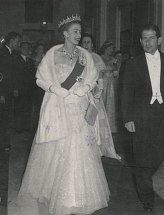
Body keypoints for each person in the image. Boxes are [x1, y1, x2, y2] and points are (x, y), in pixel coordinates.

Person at [18, 15, 119, 215]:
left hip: (80, 108)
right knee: (58, 150)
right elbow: (39, 78)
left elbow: (92, 78)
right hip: (59, 107)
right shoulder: (52, 53)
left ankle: (78, 197)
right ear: (65, 33)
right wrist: (55, 89)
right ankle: (55, 193)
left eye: (80, 32)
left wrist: (86, 88)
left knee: (80, 150)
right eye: (75, 31)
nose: (79, 35)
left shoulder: (84, 55)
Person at [122, 24, 164, 212]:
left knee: (159, 153)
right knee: (141, 158)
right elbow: (126, 93)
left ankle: (144, 175)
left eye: (151, 38)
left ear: (159, 40)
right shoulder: (132, 64)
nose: (147, 42)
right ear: (140, 41)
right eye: (144, 38)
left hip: (163, 115)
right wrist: (128, 118)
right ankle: (147, 198)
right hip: (140, 116)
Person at [81, 32, 120, 157]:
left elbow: (101, 76)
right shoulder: (77, 56)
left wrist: (100, 90)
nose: (86, 44)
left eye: (89, 42)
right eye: (84, 42)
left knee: (93, 118)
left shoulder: (96, 57)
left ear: (92, 45)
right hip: (80, 91)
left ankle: (94, 145)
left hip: (93, 91)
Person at [0, 31, 22, 149]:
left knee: (5, 118)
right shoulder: (3, 53)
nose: (19, 45)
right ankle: (2, 144)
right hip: (3, 93)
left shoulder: (9, 53)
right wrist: (1, 94)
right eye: (18, 42)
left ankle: (3, 142)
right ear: (12, 41)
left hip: (7, 92)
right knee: (3, 118)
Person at [13, 41, 36, 132]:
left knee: (27, 108)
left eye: (28, 48)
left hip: (29, 89)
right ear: (20, 49)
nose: (26, 50)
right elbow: (14, 76)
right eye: (24, 48)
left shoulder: (30, 61)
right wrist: (15, 88)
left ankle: (26, 127)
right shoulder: (16, 60)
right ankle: (18, 127)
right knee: (19, 108)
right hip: (20, 88)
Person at [98, 41, 118, 133]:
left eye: (112, 48)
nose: (111, 50)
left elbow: (116, 72)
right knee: (103, 101)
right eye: (110, 48)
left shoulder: (113, 59)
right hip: (103, 81)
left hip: (111, 82)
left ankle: (110, 126)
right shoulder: (100, 58)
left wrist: (114, 72)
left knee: (111, 103)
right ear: (105, 48)